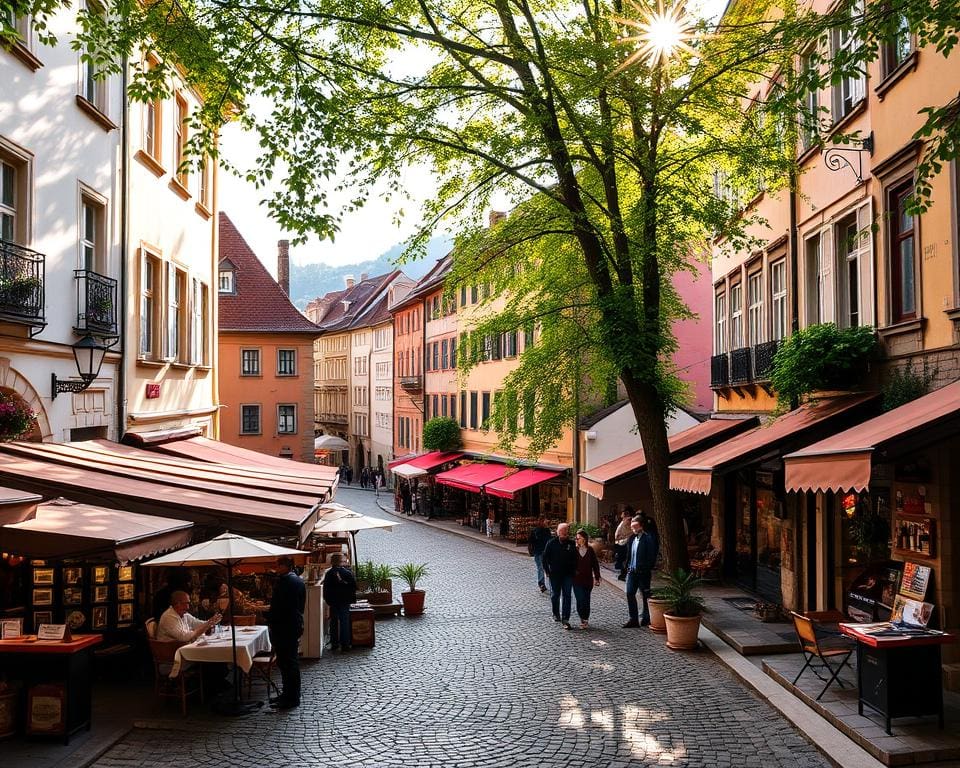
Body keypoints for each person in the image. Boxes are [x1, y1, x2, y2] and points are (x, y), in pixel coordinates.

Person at [266, 556, 306, 710]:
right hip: (293, 624)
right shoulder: (297, 581)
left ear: (285, 566)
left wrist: (267, 615)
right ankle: (288, 694)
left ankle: (291, 697)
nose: (276, 568)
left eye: (278, 565)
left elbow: (279, 607)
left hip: (284, 626)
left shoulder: (286, 582)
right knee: (287, 663)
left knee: (287, 663)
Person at [623, 516, 657, 628]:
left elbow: (652, 556)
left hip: (643, 572)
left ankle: (646, 618)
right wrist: (627, 566)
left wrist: (646, 568)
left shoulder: (648, 538)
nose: (633, 529)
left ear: (641, 526)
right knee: (629, 593)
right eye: (632, 527)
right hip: (632, 571)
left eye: (635, 527)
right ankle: (633, 619)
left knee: (645, 595)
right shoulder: (632, 538)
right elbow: (629, 554)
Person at [542, 522, 577, 629]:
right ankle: (556, 613)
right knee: (555, 595)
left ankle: (565, 618)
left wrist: (574, 570)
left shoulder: (571, 544)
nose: (564, 535)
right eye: (562, 533)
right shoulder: (551, 543)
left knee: (567, 595)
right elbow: (544, 558)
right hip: (555, 574)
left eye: (566, 532)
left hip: (568, 575)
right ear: (558, 532)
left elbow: (576, 558)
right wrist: (547, 571)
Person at [323, 553, 357, 652]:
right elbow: (353, 587)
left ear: (332, 562)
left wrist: (328, 600)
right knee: (344, 622)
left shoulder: (329, 574)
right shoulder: (347, 573)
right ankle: (345, 644)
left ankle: (334, 643)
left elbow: (326, 589)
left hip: (334, 601)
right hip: (344, 601)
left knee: (333, 622)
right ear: (341, 561)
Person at [157, 590, 221, 642]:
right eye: (186, 603)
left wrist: (211, 622)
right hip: (171, 652)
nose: (188, 607)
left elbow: (196, 623)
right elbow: (183, 637)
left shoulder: (184, 614)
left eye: (188, 603)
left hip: (182, 647)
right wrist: (204, 627)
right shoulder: (169, 617)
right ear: (177, 604)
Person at [572, 530, 601, 629]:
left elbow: (595, 565)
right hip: (576, 580)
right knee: (580, 599)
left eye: (578, 538)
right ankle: (582, 617)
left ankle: (585, 619)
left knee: (586, 600)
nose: (576, 539)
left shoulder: (590, 550)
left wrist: (597, 577)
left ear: (584, 539)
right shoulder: (574, 550)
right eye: (576, 538)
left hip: (588, 580)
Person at [527, 518, 552, 593]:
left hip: (542, 552)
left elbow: (549, 541)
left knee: (542, 568)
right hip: (539, 552)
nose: (546, 522)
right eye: (545, 521)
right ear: (541, 522)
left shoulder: (545, 530)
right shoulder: (537, 531)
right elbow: (531, 542)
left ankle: (543, 584)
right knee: (541, 568)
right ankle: (542, 584)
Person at [613, 508, 634, 580]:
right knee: (623, 559)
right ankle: (623, 574)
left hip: (625, 542)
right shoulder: (624, 521)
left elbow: (630, 531)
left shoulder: (629, 520)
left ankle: (624, 574)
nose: (621, 515)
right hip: (622, 542)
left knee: (625, 559)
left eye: (622, 513)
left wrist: (624, 536)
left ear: (626, 514)